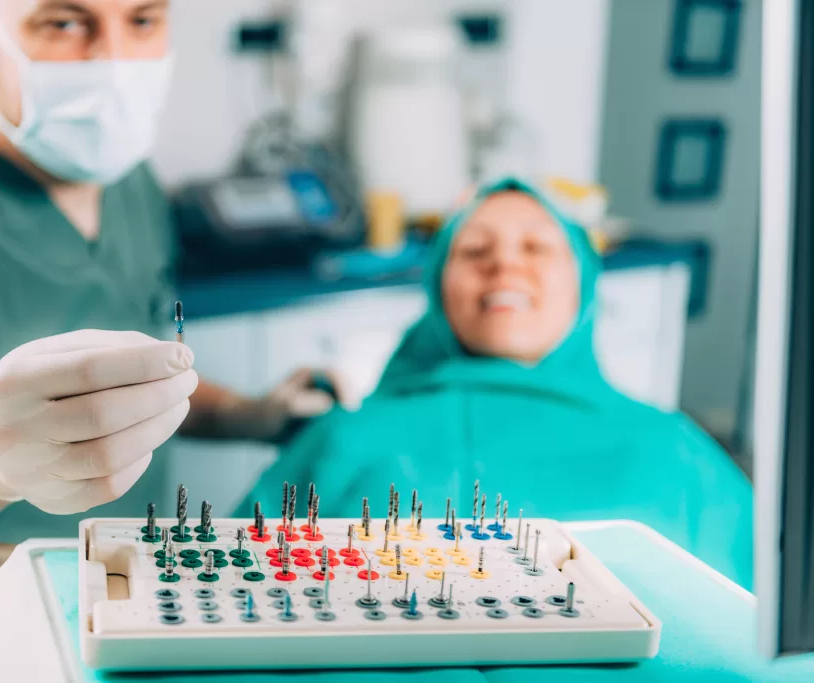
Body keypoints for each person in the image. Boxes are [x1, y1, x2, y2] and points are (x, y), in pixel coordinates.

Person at [0, 0, 343, 653]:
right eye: (64, 22)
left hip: (104, 629)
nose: (111, 60)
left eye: (142, 21)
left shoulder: (124, 180)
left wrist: (247, 414)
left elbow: (119, 375)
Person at [240, 177, 754, 591]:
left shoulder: (673, 450)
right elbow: (223, 597)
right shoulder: (344, 437)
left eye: (536, 247)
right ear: (439, 286)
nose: (505, 264)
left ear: (585, 283)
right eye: (473, 251)